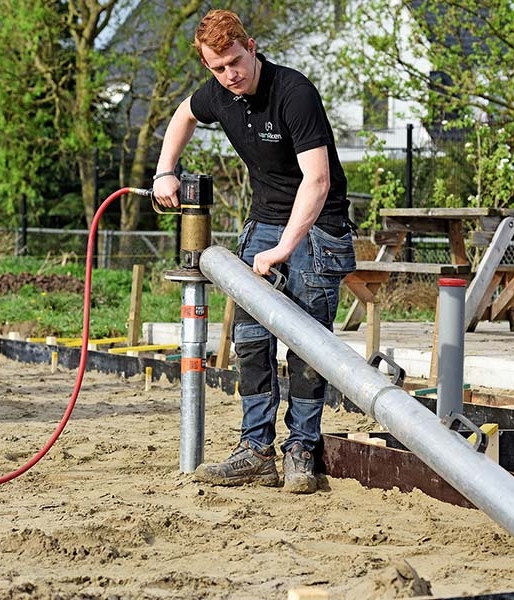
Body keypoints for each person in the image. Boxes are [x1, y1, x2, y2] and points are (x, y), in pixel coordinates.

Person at [152, 9, 355, 494]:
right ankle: (256, 450)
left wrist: (284, 248)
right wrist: (165, 170)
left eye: (236, 62)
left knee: (307, 345)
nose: (231, 75)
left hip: (316, 228)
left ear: (252, 45)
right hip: (263, 224)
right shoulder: (219, 94)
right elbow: (184, 114)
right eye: (218, 68)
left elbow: (319, 180)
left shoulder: (294, 93)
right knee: (251, 342)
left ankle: (302, 449)